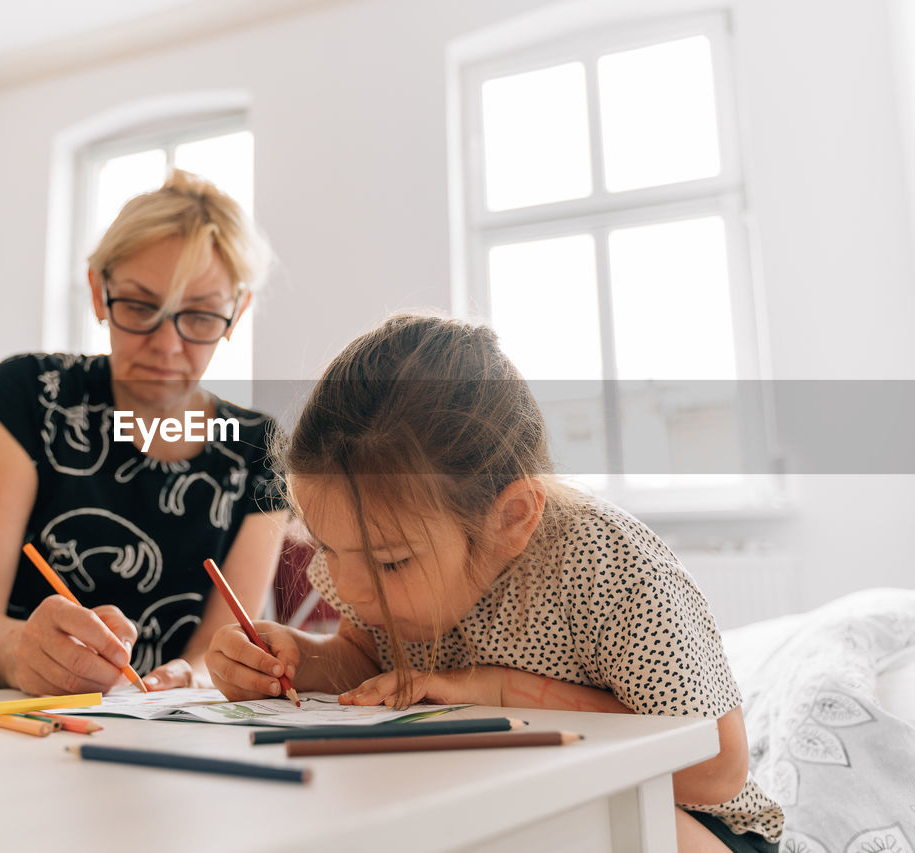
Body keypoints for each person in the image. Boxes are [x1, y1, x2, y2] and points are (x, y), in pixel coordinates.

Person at [205, 314, 782, 853]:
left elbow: (717, 765)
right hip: (506, 798)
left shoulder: (610, 568)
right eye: (329, 548)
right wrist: (294, 659)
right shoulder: (362, 565)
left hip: (691, 822)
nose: (350, 588)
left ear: (510, 519)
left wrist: (500, 695)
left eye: (390, 563)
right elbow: (367, 660)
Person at [0, 169, 287, 701]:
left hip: (170, 726)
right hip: (11, 707)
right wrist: (19, 650)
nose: (167, 345)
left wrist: (189, 678)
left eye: (200, 317)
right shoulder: (29, 395)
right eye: (138, 306)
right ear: (97, 290)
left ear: (237, 312)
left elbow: (222, 648)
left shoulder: (257, 448)